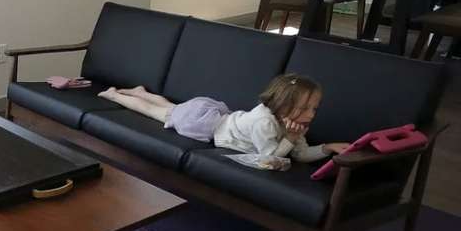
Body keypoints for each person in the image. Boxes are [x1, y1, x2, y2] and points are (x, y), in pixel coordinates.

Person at [99, 73, 352, 161]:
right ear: (284, 105)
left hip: (215, 115)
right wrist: (290, 139)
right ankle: (116, 96)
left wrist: (326, 148)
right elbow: (268, 159)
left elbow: (299, 154)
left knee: (171, 107)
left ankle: (140, 92)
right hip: (204, 123)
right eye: (305, 108)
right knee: (156, 112)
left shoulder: (292, 125)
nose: (310, 115)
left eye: (314, 108)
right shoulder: (265, 122)